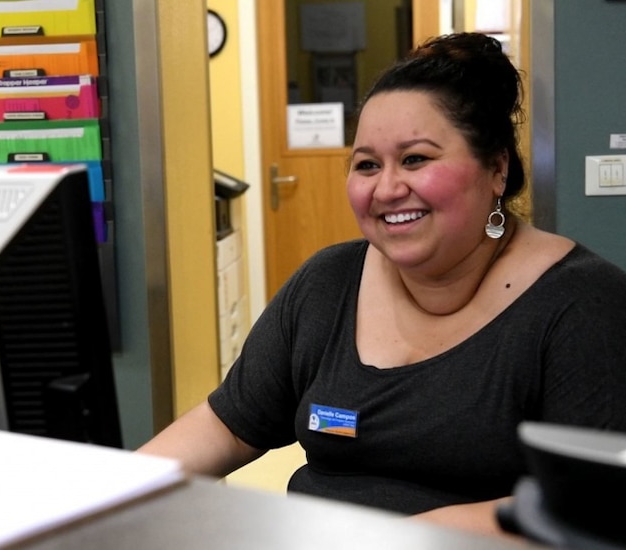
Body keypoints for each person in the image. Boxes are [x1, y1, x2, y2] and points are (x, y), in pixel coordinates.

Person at [138, 32, 626, 539]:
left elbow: (590, 503)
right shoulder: (328, 282)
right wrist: (113, 489)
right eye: (367, 165)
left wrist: (392, 539)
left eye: (415, 159)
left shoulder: (580, 305)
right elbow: (228, 424)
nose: (387, 189)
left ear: (497, 168)